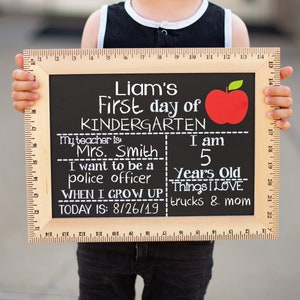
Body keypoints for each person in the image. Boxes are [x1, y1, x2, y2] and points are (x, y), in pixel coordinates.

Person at [11, 1, 293, 299]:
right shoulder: (101, 24)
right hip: (105, 223)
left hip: (189, 234)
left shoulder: (229, 30)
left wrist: (269, 108)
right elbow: (79, 107)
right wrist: (36, 97)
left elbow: (240, 126)